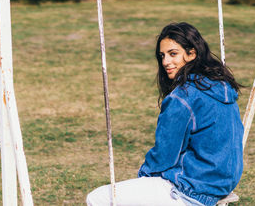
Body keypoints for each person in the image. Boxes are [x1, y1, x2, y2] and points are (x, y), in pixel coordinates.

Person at [86, 22, 244, 206]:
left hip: (191, 190)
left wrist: (143, 178)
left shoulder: (183, 97)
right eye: (162, 56)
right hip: (221, 184)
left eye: (173, 54)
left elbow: (164, 155)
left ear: (192, 53)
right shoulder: (222, 86)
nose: (165, 62)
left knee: (97, 198)